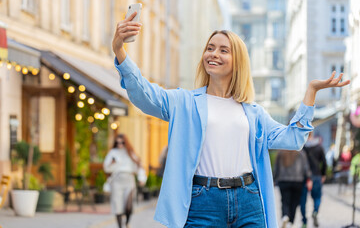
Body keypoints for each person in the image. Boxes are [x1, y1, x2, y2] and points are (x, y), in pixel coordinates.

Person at [111, 12, 350, 228]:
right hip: (202, 202)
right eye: (210, 48)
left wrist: (310, 93)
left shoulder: (253, 113)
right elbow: (143, 94)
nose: (213, 54)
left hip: (249, 200)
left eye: (223, 50)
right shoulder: (183, 102)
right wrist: (120, 50)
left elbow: (294, 138)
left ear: (238, 61)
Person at [103, 134, 142, 228]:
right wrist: (112, 164)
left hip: (129, 180)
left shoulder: (130, 152)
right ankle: (120, 226)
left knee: (129, 206)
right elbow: (106, 168)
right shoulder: (112, 152)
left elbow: (139, 166)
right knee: (118, 205)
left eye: (122, 142)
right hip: (117, 180)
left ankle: (127, 222)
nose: (120, 144)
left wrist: (141, 178)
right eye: (118, 142)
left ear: (126, 142)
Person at [274, 150, 312, 228]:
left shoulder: (281, 152)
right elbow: (306, 167)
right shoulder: (301, 152)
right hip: (297, 181)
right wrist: (308, 177)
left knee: (285, 200)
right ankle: (291, 222)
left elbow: (276, 167)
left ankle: (285, 216)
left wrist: (274, 179)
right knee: (294, 202)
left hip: (283, 180)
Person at [300, 132, 327, 228]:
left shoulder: (301, 147)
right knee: (317, 197)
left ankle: (304, 222)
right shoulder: (319, 147)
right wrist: (323, 174)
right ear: (312, 134)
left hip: (303, 177)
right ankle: (315, 211)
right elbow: (324, 162)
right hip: (316, 175)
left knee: (303, 200)